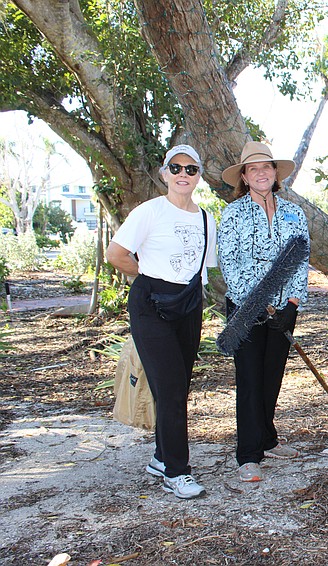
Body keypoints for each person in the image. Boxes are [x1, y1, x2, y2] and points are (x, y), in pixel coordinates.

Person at [105, 144, 217, 500]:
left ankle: (159, 457)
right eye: (177, 168)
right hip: (150, 304)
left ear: (199, 176)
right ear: (165, 173)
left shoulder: (205, 218)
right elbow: (116, 254)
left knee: (177, 386)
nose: (184, 175)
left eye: (192, 169)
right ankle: (177, 472)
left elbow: (202, 270)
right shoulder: (149, 212)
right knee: (169, 388)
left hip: (188, 304)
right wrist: (148, 275)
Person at [218, 141, 310, 483]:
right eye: (253, 169)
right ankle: (248, 454)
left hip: (286, 308)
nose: (261, 173)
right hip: (247, 309)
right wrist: (259, 304)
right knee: (250, 379)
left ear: (275, 174)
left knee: (272, 375)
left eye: (266, 167)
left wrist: (292, 303)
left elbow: (301, 258)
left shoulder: (293, 213)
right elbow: (231, 264)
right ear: (244, 176)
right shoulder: (233, 214)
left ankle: (268, 439)